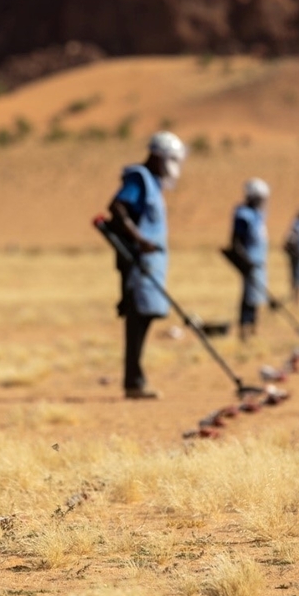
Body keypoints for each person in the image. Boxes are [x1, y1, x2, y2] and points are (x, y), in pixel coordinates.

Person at [107, 131, 187, 399]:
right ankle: (134, 382)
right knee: (137, 319)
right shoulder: (139, 179)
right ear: (158, 156)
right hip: (139, 265)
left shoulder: (153, 183)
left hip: (151, 263)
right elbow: (117, 207)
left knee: (145, 316)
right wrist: (140, 240)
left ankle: (135, 380)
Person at [228, 178, 270, 341]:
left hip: (259, 262)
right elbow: (235, 241)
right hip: (250, 262)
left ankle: (253, 329)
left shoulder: (258, 214)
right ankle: (244, 331)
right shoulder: (243, 215)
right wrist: (245, 262)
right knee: (249, 298)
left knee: (257, 298)